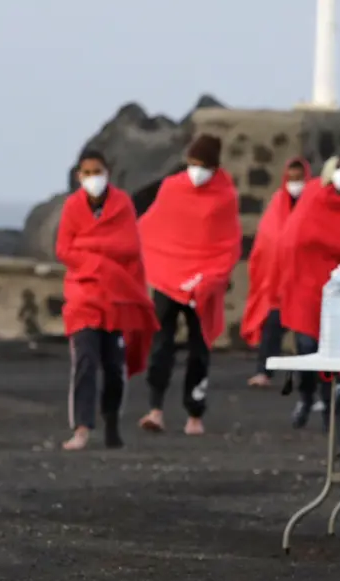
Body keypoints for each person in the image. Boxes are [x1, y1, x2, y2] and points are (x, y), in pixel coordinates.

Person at [137, 134, 242, 436]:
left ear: (214, 166)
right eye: (192, 163)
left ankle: (195, 414)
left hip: (203, 284)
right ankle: (155, 409)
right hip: (168, 279)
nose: (196, 171)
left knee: (199, 348)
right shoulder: (172, 188)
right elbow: (155, 224)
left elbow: (227, 243)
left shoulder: (225, 196)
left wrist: (213, 276)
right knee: (161, 345)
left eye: (203, 165)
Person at [56, 148, 160, 451]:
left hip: (117, 297)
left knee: (115, 367)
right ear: (79, 176)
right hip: (83, 296)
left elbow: (128, 246)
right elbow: (64, 249)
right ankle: (81, 428)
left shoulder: (122, 204)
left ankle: (112, 423)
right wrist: (98, 261)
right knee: (85, 362)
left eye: (97, 172)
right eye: (87, 173)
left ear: (108, 172)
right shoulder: (72, 207)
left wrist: (89, 247)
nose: (93, 178)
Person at [278, 152, 340, 428]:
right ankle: (306, 397)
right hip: (309, 287)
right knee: (307, 348)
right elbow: (295, 237)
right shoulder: (313, 196)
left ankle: (333, 409)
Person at [242, 157, 311, 387]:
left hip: (304, 282)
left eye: (299, 178)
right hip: (279, 283)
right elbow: (267, 239)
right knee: (272, 326)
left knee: (306, 336)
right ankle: (264, 372)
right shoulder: (277, 203)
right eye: (291, 178)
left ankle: (308, 383)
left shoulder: (312, 204)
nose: (295, 184)